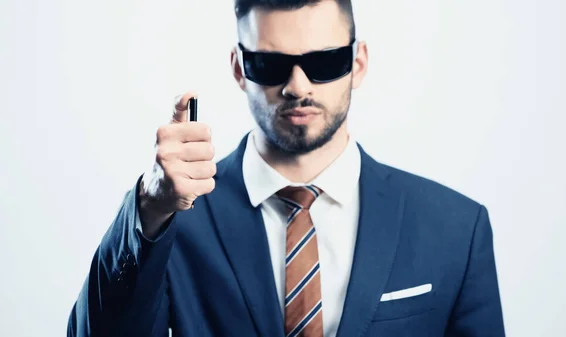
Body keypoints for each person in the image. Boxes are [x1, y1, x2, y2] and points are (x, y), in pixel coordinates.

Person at [66, 0, 505, 336]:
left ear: (358, 62)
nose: (297, 86)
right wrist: (150, 208)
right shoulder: (174, 220)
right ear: (239, 68)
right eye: (270, 65)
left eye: (323, 62)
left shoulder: (455, 229)